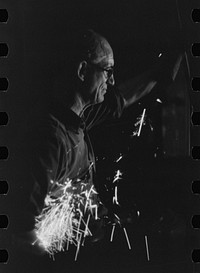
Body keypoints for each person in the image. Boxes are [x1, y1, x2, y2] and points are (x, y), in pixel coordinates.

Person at [8, 29, 182, 263]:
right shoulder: (50, 139)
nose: (111, 80)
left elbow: (120, 99)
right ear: (82, 70)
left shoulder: (76, 117)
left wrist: (159, 73)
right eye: (108, 71)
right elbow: (21, 233)